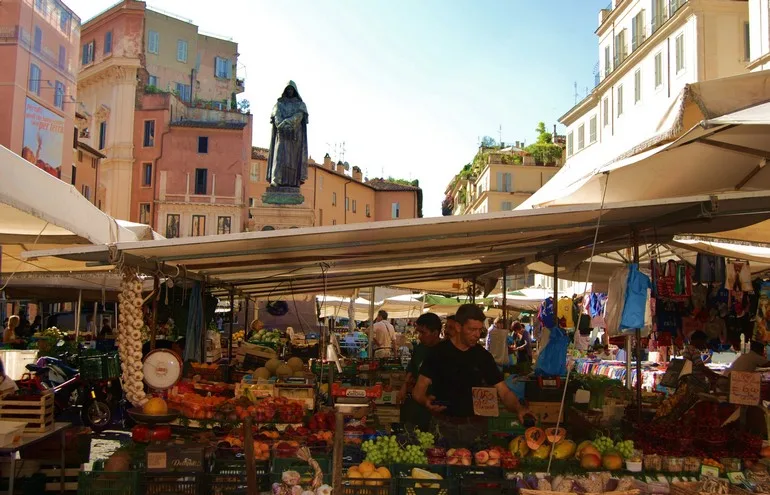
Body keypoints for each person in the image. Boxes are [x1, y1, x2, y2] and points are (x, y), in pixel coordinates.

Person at [412, 304, 528, 448]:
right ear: (459, 327)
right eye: (472, 329)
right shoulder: (438, 353)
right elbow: (418, 392)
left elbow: (503, 392)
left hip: (475, 428)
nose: (477, 335)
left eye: (479, 330)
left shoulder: (483, 356)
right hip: (442, 427)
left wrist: (519, 408)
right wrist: (426, 402)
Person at [398, 312, 443, 431]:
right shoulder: (420, 348)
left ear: (435, 333)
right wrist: (404, 387)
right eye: (418, 332)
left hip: (435, 405)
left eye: (423, 332)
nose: (419, 336)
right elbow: (411, 369)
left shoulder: (445, 351)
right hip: (415, 404)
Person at [266, 81, 309, 187]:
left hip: (294, 135)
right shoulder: (279, 104)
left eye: (291, 89)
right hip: (281, 134)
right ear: (285, 91)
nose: (290, 91)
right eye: (288, 89)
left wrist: (287, 122)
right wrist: (281, 124)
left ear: (295, 91)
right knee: (279, 156)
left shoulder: (300, 105)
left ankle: (292, 182)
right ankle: (276, 180)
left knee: (292, 160)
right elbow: (276, 116)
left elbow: (299, 116)